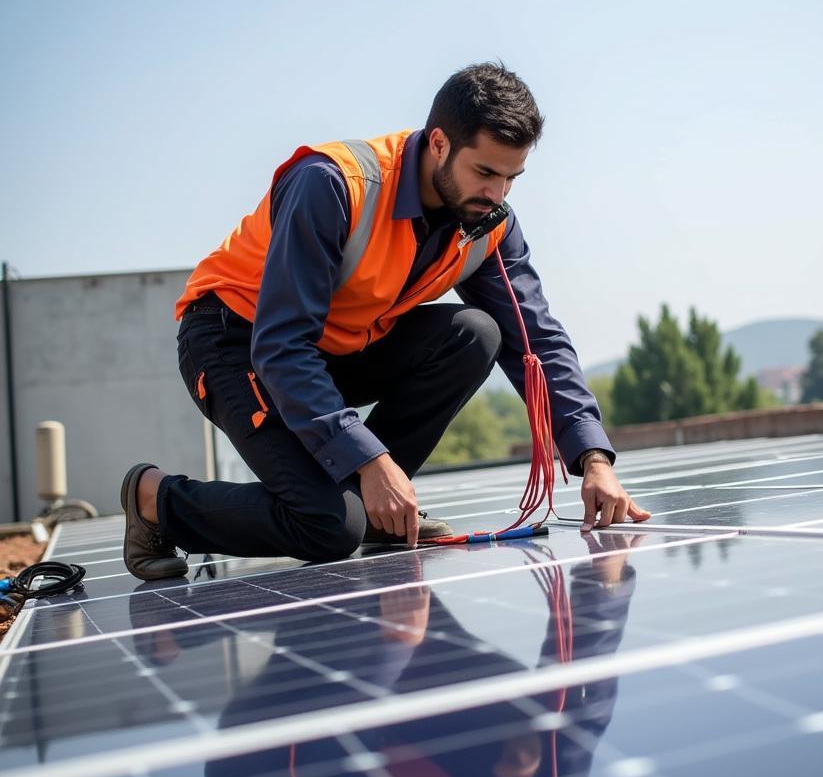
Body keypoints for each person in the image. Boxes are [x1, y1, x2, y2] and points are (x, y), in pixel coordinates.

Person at [121, 63, 651, 580]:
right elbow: (282, 346)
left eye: (512, 177)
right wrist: (370, 462)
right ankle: (155, 499)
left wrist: (593, 457)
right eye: (485, 172)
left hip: (335, 350)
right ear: (439, 143)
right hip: (236, 343)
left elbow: (535, 338)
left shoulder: (486, 220)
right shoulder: (332, 184)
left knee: (475, 333)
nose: (497, 195)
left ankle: (375, 511)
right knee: (327, 528)